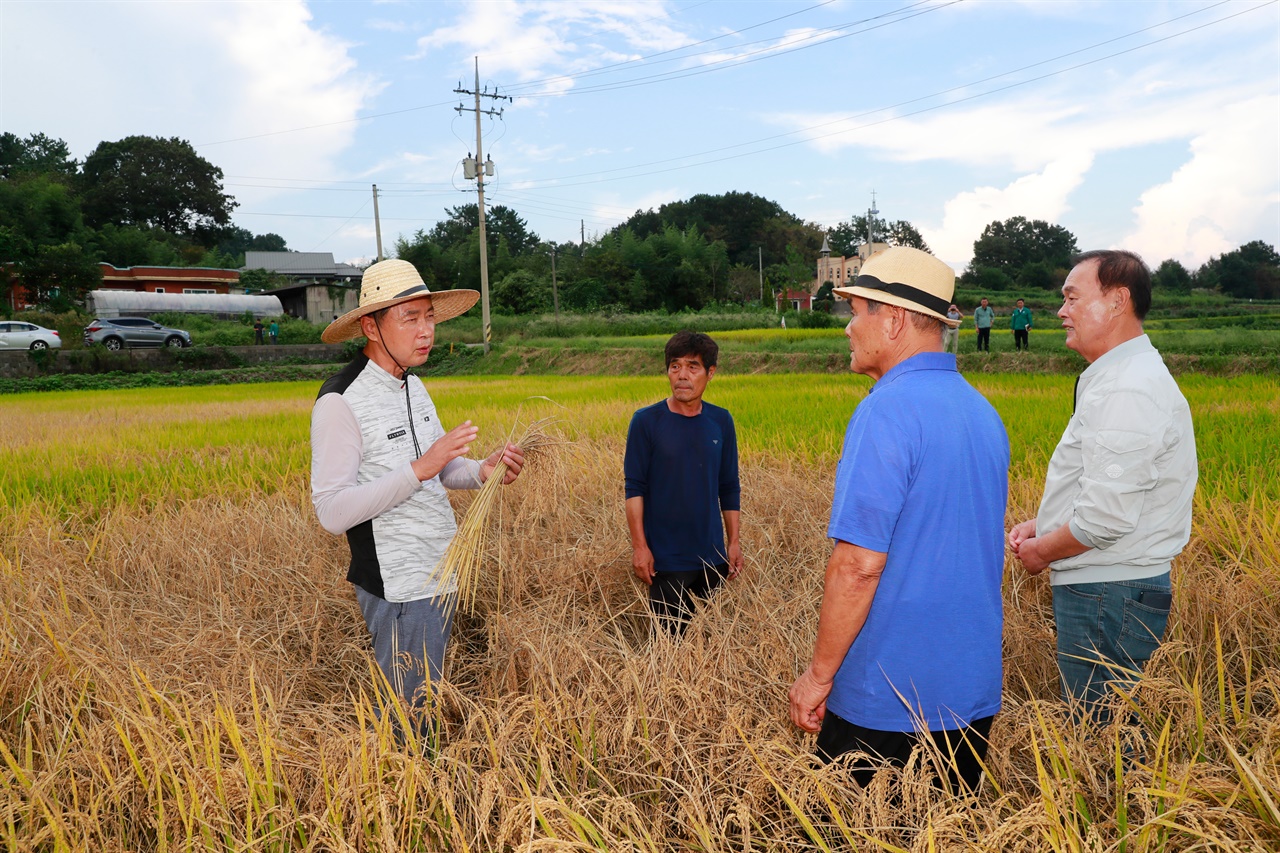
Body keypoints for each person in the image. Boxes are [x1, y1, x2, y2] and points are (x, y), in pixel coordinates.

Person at [789, 247, 1009, 792]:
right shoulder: (983, 413)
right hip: (967, 693)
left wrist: (818, 677)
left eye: (858, 311)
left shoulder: (885, 409)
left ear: (893, 320)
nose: (848, 328)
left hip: (886, 696)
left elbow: (859, 565)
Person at [310, 259, 525, 737]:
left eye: (429, 316)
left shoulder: (412, 384)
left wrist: (483, 471)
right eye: (410, 318)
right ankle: (415, 797)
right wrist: (420, 468)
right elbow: (331, 511)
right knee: (413, 715)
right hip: (400, 587)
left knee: (427, 698)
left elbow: (443, 469)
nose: (426, 330)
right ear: (371, 325)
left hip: (440, 571)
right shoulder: (340, 401)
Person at [1009, 250, 1196, 722]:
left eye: (1073, 297)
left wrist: (1043, 550)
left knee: (1105, 744)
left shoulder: (1127, 388)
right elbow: (1111, 490)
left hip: (1108, 592)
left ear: (1117, 302)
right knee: (1110, 734)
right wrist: (1045, 523)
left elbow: (1105, 518)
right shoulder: (1117, 377)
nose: (1061, 311)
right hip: (1110, 587)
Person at [624, 331, 742, 636]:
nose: (682, 376)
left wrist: (734, 543)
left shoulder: (721, 421)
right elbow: (635, 488)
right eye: (675, 367)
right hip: (666, 560)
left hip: (712, 559)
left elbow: (728, 486)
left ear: (710, 373)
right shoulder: (646, 422)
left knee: (709, 646)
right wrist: (640, 548)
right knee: (667, 647)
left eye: (693, 367)